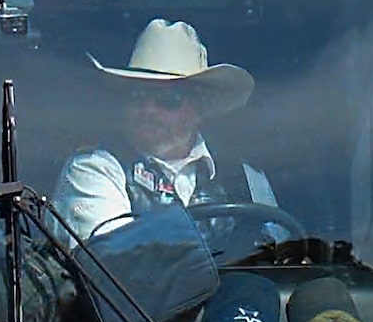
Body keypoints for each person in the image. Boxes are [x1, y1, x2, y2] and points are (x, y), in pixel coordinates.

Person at [56, 18, 278, 244]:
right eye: (137, 96)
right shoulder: (93, 169)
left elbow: (284, 256)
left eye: (167, 99)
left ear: (199, 108)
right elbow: (114, 265)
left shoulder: (245, 176)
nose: (148, 110)